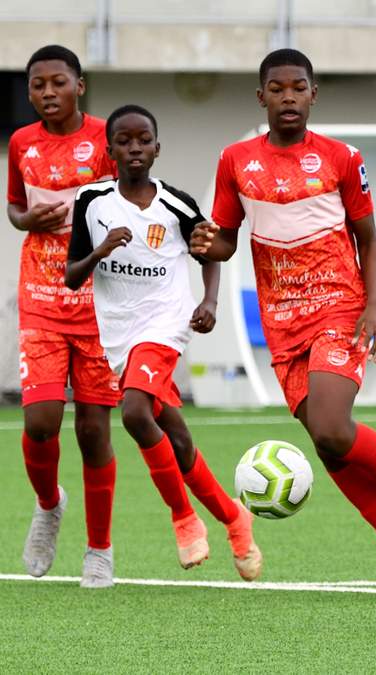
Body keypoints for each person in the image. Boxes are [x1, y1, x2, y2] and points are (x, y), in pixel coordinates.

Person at [189, 49, 376, 601]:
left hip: (339, 307)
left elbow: (369, 239)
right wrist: (206, 242)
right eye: (277, 88)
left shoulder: (342, 157)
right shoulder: (235, 160)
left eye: (298, 88)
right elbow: (225, 238)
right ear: (261, 96)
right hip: (281, 321)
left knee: (335, 427)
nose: (288, 97)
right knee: (329, 447)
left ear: (314, 95)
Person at [65, 105, 262, 580]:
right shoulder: (90, 202)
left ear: (157, 148)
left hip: (165, 324)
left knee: (134, 413)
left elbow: (209, 249)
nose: (135, 148)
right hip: (118, 337)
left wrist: (211, 301)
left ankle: (184, 518)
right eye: (125, 141)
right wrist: (101, 250)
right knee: (177, 439)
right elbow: (72, 277)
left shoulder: (175, 204)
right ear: (109, 150)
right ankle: (236, 518)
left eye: (144, 139)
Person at [7, 45, 119, 588]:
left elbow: (133, 199)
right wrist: (27, 216)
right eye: (36, 85)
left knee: (94, 431)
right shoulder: (22, 143)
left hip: (100, 302)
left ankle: (99, 549)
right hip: (42, 297)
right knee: (40, 420)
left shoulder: (106, 139)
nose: (47, 93)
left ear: (80, 85)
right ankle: (49, 506)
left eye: (57, 82)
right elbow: (13, 207)